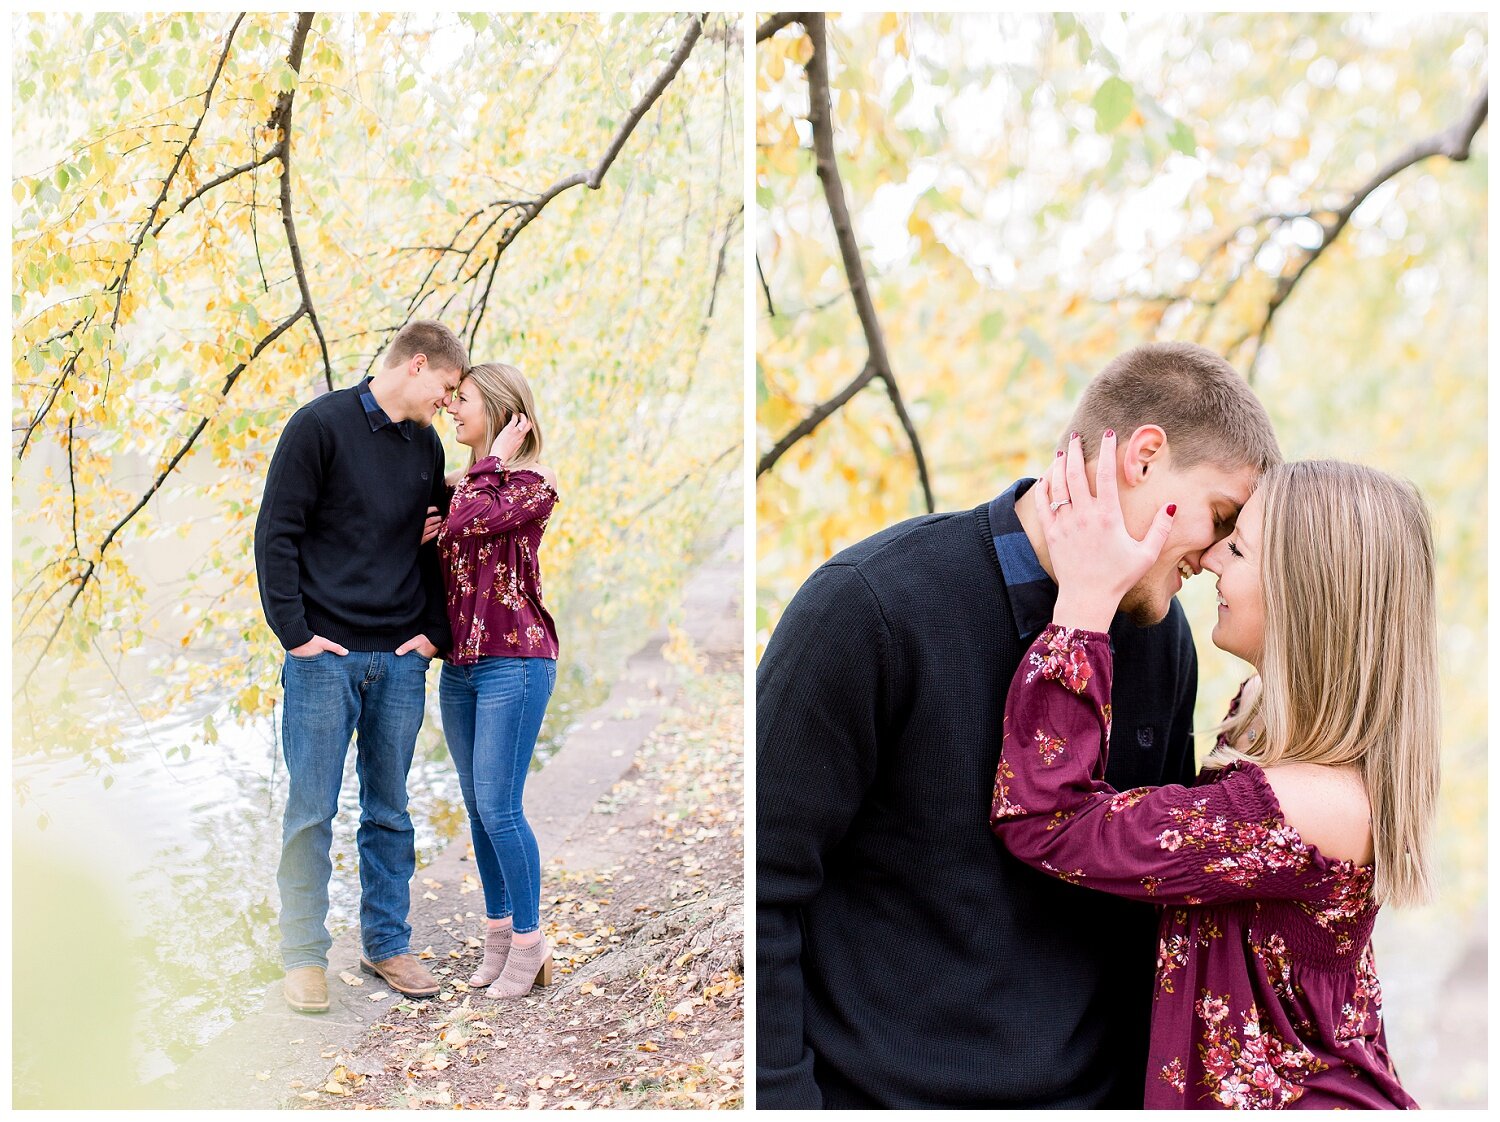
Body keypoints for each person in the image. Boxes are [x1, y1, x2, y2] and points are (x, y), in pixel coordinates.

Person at [757, 342, 1281, 1108]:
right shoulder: (869, 607)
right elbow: (768, 887)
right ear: (1143, 458)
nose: (1214, 558)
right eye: (1222, 516)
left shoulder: (1159, 638)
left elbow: (1146, 910)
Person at [990, 442, 1435, 1109]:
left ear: (1304, 591)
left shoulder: (1304, 806)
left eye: (1238, 549)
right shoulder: (1260, 722)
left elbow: (1049, 822)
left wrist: (1084, 604)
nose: (1207, 559)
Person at [253, 320, 467, 1014]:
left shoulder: (425, 445)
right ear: (417, 363)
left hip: (399, 661)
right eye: (448, 386)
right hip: (324, 659)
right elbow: (275, 534)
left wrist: (433, 634)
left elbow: (432, 543)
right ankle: (303, 958)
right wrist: (295, 635)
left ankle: (386, 943)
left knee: (390, 813)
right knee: (311, 812)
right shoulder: (318, 427)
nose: (448, 400)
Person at [434, 361, 560, 998]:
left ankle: (531, 942)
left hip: (517, 659)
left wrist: (492, 463)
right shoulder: (467, 485)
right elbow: (449, 535)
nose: (452, 409)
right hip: (460, 669)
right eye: (452, 400)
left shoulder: (533, 485)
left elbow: (470, 524)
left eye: (465, 401)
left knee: (500, 808)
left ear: (506, 414)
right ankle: (499, 936)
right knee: (479, 814)